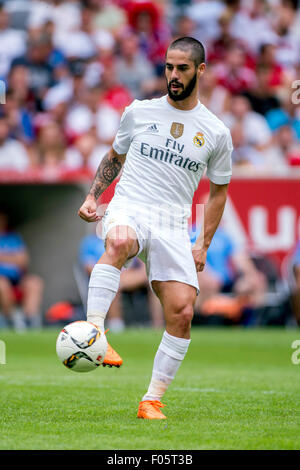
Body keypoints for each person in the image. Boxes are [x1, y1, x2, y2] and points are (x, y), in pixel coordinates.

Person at [78, 37, 233, 420]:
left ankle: (151, 400)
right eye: (168, 67)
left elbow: (218, 193)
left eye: (182, 68)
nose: (173, 75)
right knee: (120, 241)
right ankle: (96, 332)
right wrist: (93, 196)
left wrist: (203, 245)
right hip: (130, 205)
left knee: (182, 312)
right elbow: (115, 156)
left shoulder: (216, 132)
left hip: (173, 223)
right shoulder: (138, 111)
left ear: (200, 70)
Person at [0, 208, 44, 330]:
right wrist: (13, 257)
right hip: (2, 279)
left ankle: (29, 321)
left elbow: (23, 260)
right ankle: (11, 319)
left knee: (34, 282)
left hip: (16, 278)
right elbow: (17, 258)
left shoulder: (13, 237)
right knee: (2, 285)